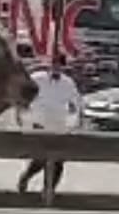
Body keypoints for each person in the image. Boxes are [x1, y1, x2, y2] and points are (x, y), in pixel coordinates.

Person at [15, 52, 82, 195]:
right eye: (54, 64)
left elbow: (76, 103)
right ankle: (26, 177)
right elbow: (22, 95)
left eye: (59, 65)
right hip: (39, 122)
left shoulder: (68, 83)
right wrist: (21, 113)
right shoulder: (37, 79)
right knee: (41, 158)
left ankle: (49, 190)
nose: (56, 67)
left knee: (58, 161)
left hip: (59, 125)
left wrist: (74, 122)